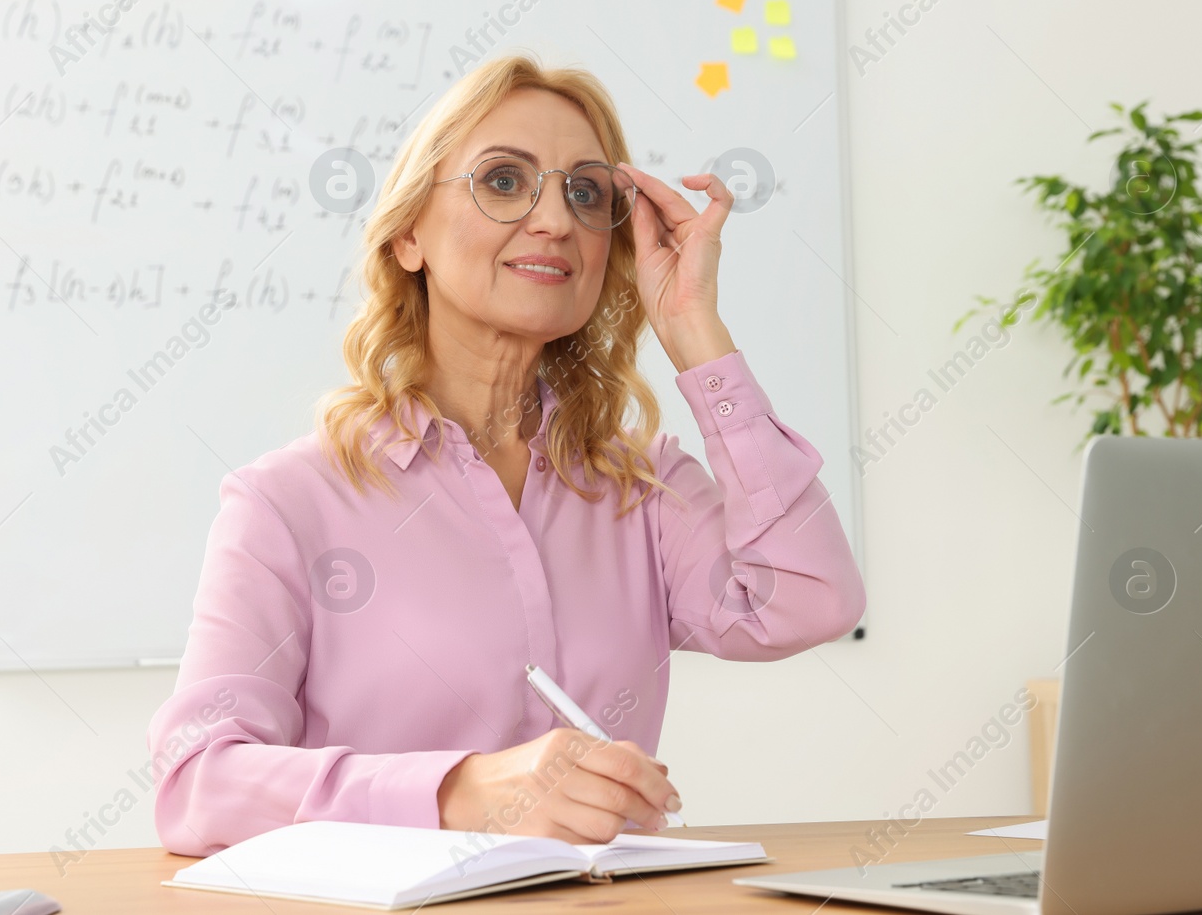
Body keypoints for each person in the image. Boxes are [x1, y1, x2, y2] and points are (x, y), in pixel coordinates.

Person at [146, 52, 865, 857]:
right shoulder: (287, 501)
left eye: (585, 192)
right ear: (410, 231)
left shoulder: (644, 484)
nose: (554, 220)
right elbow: (197, 783)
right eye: (502, 180)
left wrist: (695, 328)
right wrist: (458, 790)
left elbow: (811, 600)